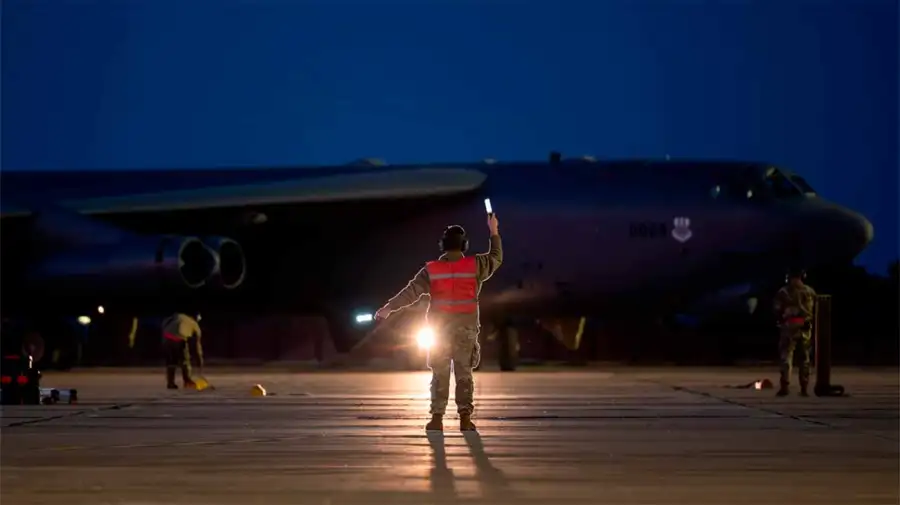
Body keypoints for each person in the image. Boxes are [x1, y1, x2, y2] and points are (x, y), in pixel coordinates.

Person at [375, 214, 502, 431]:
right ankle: (464, 418)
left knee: (439, 374)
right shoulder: (475, 266)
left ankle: (436, 418)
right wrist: (494, 231)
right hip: (465, 331)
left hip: (439, 331)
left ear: (443, 245)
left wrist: (388, 308)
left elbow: (411, 292)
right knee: (464, 374)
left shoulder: (432, 270)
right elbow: (496, 257)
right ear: (464, 244)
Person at [773, 269, 817, 397]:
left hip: (789, 327)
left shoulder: (783, 292)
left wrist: (781, 319)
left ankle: (785, 387)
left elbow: (777, 309)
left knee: (786, 357)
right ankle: (804, 388)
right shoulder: (810, 291)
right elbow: (814, 310)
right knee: (805, 359)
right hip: (805, 327)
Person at [161, 312, 204, 389]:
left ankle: (170, 382)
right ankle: (187, 380)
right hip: (179, 338)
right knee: (185, 360)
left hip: (166, 337)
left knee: (171, 361)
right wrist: (199, 359)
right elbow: (197, 345)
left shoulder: (177, 316)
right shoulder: (194, 324)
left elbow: (165, 322)